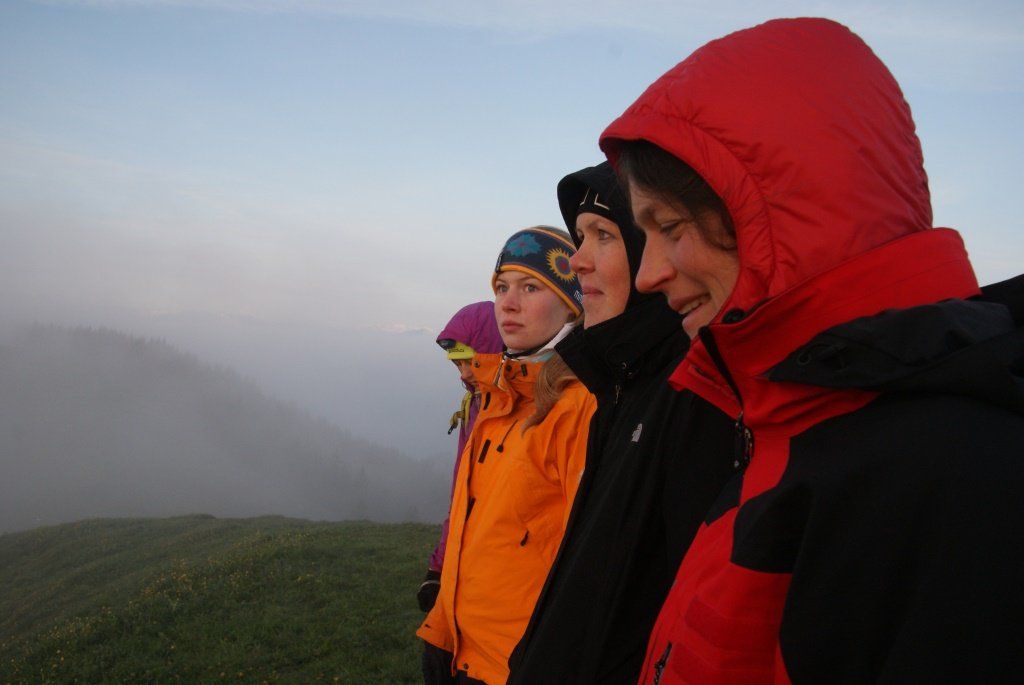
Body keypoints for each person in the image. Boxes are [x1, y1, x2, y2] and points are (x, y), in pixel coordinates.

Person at [598, 17, 1024, 683]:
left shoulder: (953, 483)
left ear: (784, 215)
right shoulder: (784, 427)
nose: (649, 273)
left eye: (670, 226)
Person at [507, 163, 735, 683]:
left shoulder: (692, 400)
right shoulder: (619, 388)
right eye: (579, 237)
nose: (577, 260)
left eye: (604, 236)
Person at [417, 226, 598, 684]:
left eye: (531, 287)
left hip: (511, 663)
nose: (508, 303)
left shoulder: (578, 409)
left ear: (572, 305)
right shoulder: (497, 398)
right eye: (501, 287)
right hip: (455, 645)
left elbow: (588, 564)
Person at [418, 302, 504, 614]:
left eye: (471, 361)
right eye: (458, 364)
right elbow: (461, 496)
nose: (465, 372)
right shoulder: (475, 405)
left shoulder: (529, 408)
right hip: (473, 564)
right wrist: (439, 567)